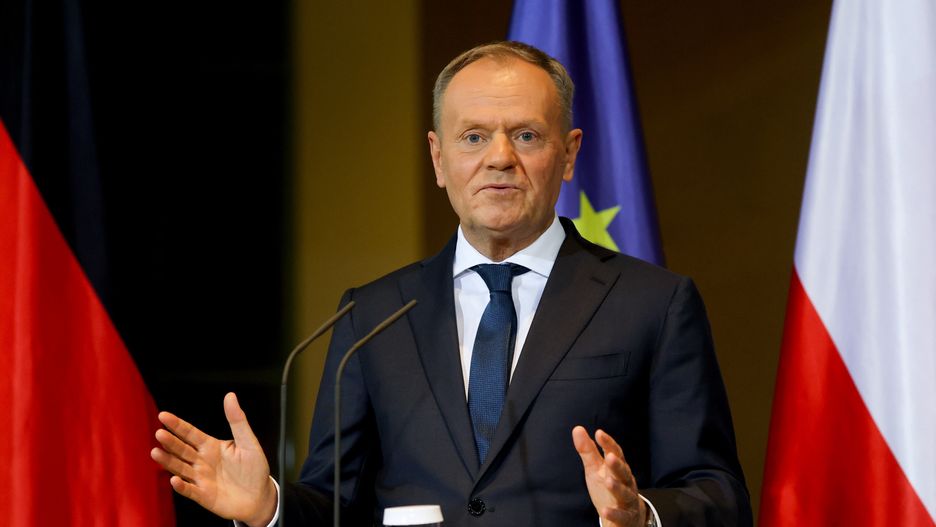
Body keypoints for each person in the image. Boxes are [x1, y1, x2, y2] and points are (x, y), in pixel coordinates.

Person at [152, 41, 752, 527]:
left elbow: (718, 497)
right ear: (438, 160)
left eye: (526, 135)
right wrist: (272, 509)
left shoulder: (654, 303)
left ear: (568, 156)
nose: (499, 158)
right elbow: (336, 506)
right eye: (473, 137)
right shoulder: (371, 316)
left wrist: (640, 515)